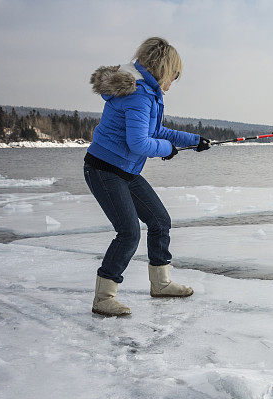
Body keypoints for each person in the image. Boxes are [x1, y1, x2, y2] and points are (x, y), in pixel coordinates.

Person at [84, 37, 211, 316]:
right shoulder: (139, 95)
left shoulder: (147, 93)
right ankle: (104, 297)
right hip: (104, 169)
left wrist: (193, 140)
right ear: (163, 70)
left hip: (126, 170)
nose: (172, 83)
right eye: (174, 77)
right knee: (129, 233)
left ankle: (161, 283)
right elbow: (140, 143)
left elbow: (157, 131)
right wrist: (167, 150)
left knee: (159, 220)